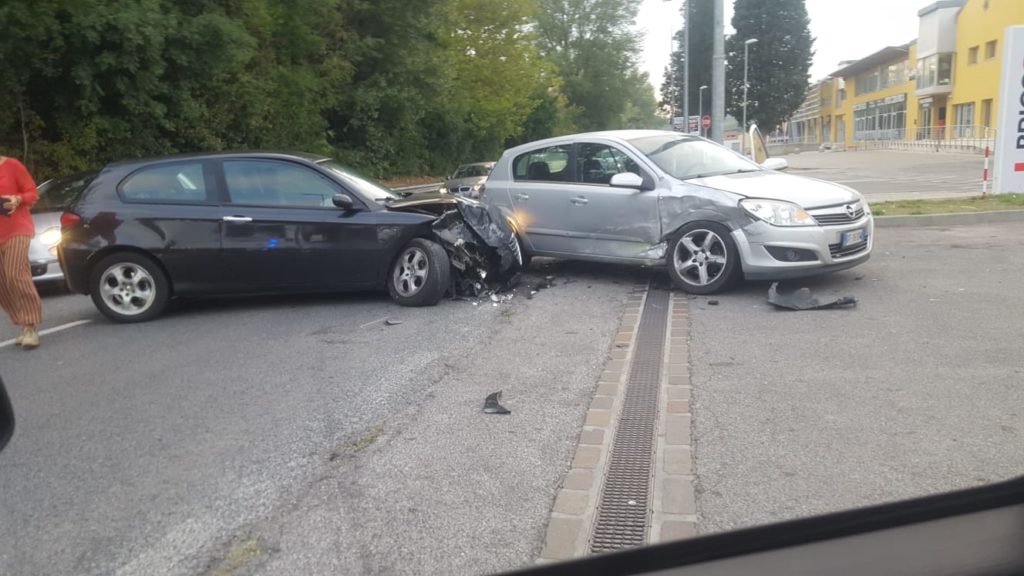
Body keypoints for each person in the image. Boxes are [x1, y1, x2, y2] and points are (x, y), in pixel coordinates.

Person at [0, 155, 43, 349]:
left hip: (17, 228)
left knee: (15, 274)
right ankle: (22, 323)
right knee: (3, 282)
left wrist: (18, 199)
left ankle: (30, 327)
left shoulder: (12, 165)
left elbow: (32, 194)